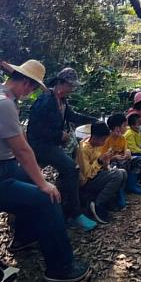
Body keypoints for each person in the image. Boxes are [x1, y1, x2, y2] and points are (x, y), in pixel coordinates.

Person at [0, 59, 90, 282]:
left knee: (30, 180)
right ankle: (61, 268)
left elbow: (19, 141)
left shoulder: (4, 96)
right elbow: (22, 150)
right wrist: (43, 183)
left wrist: (36, 175)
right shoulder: (2, 103)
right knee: (47, 198)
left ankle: (24, 237)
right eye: (34, 87)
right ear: (27, 84)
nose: (33, 92)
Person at [26, 67, 98, 232]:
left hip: (52, 144)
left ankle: (67, 204)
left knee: (69, 167)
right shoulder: (45, 101)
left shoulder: (62, 100)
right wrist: (59, 136)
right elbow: (35, 130)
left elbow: (72, 116)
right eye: (70, 86)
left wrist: (94, 121)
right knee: (70, 169)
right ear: (61, 83)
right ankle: (74, 213)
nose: (72, 89)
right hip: (40, 145)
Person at [76, 121, 127, 224]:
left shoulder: (97, 145)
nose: (104, 143)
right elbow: (87, 174)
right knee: (117, 175)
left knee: (123, 172)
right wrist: (99, 161)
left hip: (97, 174)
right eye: (103, 140)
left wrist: (106, 162)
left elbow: (102, 165)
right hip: (87, 181)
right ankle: (97, 204)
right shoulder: (83, 149)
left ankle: (110, 200)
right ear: (94, 138)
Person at [102, 112, 141, 197]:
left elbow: (126, 149)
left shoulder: (122, 138)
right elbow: (101, 158)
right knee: (118, 165)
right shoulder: (106, 139)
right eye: (124, 126)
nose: (126, 128)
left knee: (138, 159)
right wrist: (114, 157)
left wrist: (128, 152)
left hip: (122, 159)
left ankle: (131, 185)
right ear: (117, 128)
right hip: (110, 163)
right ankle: (120, 190)